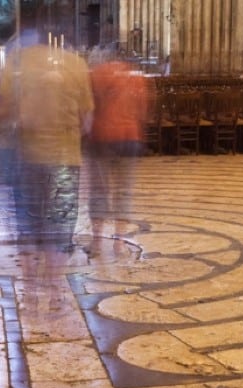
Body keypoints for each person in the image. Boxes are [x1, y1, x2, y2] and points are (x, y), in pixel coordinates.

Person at [0, 30, 94, 257]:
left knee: (29, 216)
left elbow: (4, 109)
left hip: (27, 154)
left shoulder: (17, 62)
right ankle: (56, 278)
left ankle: (31, 273)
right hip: (65, 156)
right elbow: (87, 118)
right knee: (61, 216)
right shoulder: (76, 63)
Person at [86, 52, 153, 256]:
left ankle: (97, 243)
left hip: (101, 137)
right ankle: (119, 244)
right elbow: (143, 110)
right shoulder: (136, 77)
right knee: (124, 192)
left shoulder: (95, 74)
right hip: (129, 137)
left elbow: (88, 107)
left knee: (99, 191)